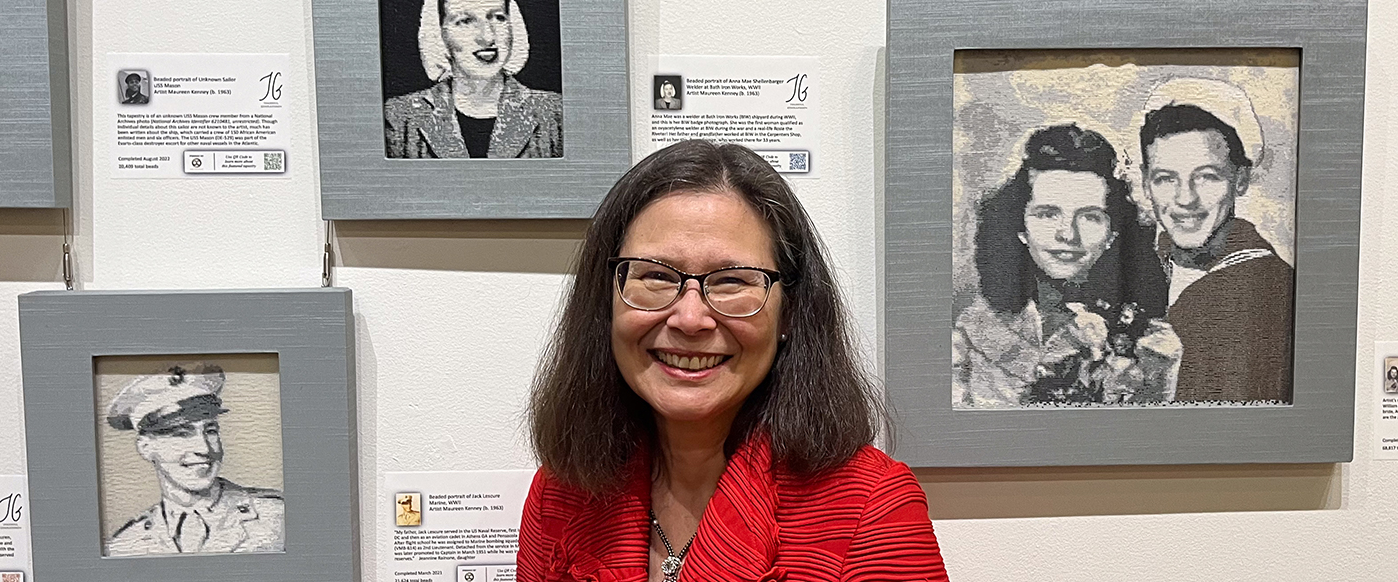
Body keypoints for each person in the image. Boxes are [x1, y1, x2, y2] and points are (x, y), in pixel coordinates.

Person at [520, 140, 948, 581]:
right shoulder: (560, 493)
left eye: (732, 281)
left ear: (789, 312)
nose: (690, 319)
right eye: (656, 275)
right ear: (606, 301)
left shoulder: (872, 508)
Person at [954, 123, 1179, 408]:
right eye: (1047, 214)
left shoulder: (1153, 347)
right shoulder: (973, 330)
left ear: (1113, 234)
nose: (1068, 235)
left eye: (1090, 217)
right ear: (1019, 227)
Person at [1138, 78, 1295, 403]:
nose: (1185, 199)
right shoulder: (1145, 267)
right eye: (1165, 179)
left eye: (1207, 177)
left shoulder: (1269, 291)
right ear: (1145, 183)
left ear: (1240, 180)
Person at [104, 363, 284, 557]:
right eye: (182, 434)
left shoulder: (277, 517)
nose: (204, 448)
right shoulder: (126, 544)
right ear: (145, 448)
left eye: (210, 431)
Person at [385, 0, 562, 159]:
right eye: (465, 21)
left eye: (498, 18)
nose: (487, 37)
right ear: (439, 34)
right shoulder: (399, 117)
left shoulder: (555, 112)